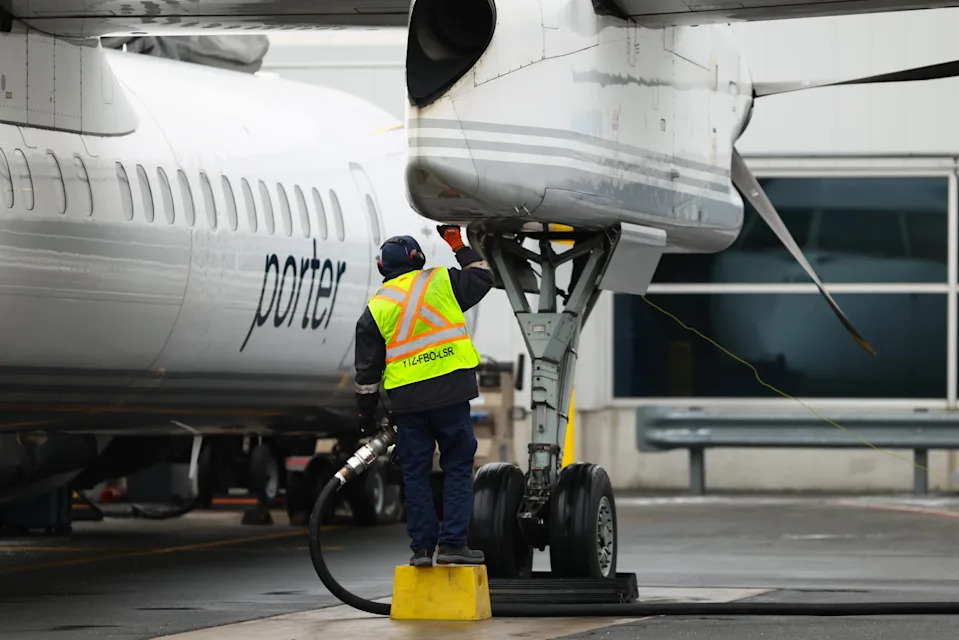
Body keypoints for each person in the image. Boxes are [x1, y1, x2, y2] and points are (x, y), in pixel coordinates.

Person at [353, 225, 493, 567]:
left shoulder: (376, 308)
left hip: (408, 404)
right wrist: (457, 242)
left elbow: (367, 375)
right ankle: (453, 547)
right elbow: (482, 277)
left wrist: (365, 417)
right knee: (457, 466)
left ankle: (423, 550)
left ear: (382, 268)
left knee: (414, 474)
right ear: (418, 259)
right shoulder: (442, 281)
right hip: (450, 394)